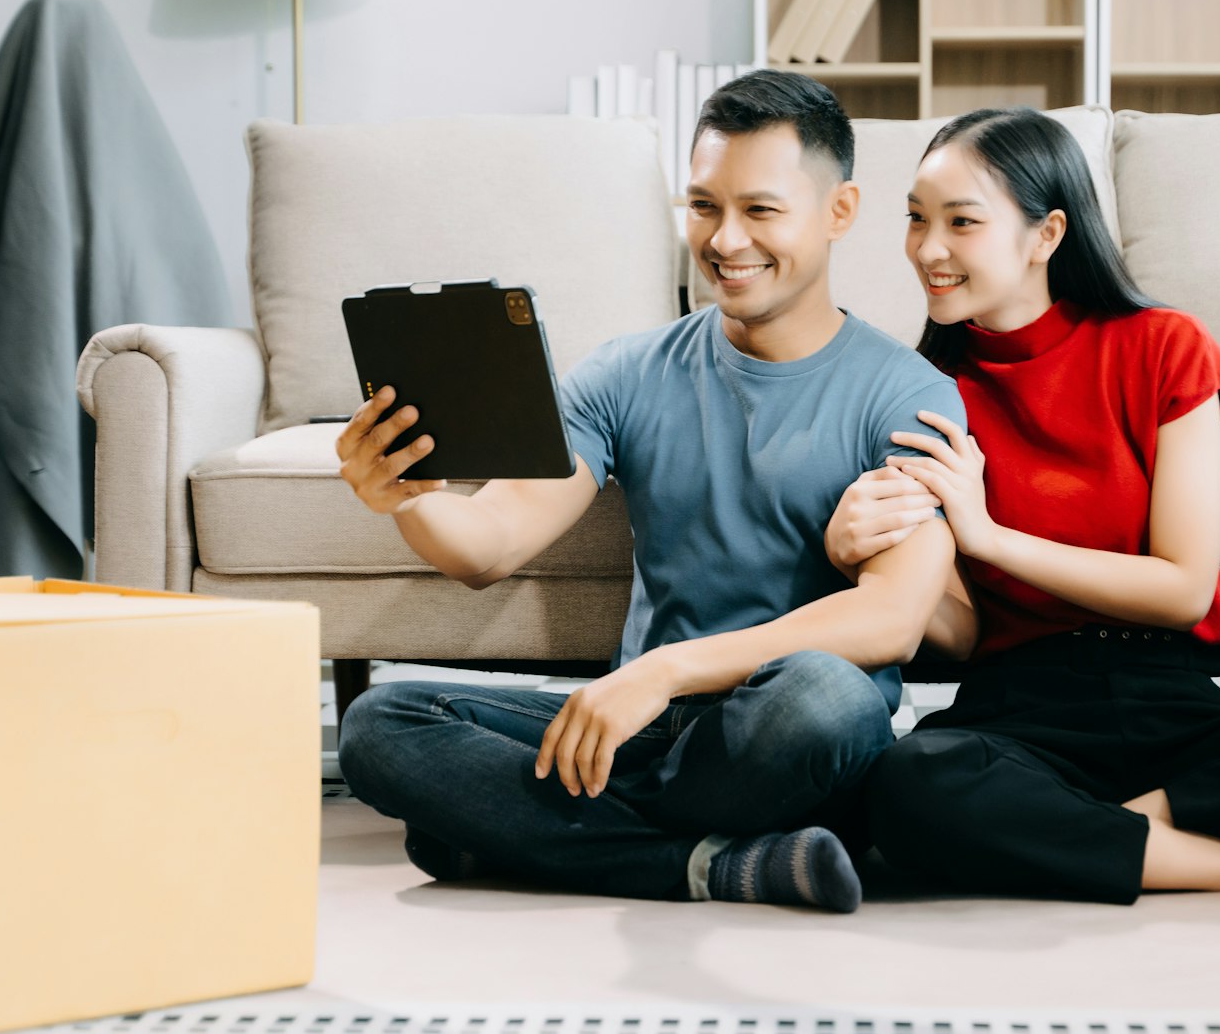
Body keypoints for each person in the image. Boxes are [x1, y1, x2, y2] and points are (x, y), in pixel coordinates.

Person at [331, 71, 965, 914]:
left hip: (771, 727)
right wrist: (407, 495)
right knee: (382, 725)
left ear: (840, 212)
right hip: (638, 733)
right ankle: (709, 864)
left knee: (831, 697)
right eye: (703, 206)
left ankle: (522, 832)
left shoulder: (906, 395)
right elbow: (489, 544)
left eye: (760, 210)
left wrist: (664, 671)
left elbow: (890, 618)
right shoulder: (628, 372)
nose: (725, 239)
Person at [828, 107, 1220, 904]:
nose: (928, 249)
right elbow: (960, 636)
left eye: (962, 222)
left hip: (1175, 699)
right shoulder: (917, 391)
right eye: (917, 220)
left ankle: (1122, 829)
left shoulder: (1164, 345)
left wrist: (989, 537)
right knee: (909, 778)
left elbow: (1183, 589)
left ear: (1046, 233)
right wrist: (861, 561)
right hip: (1023, 704)